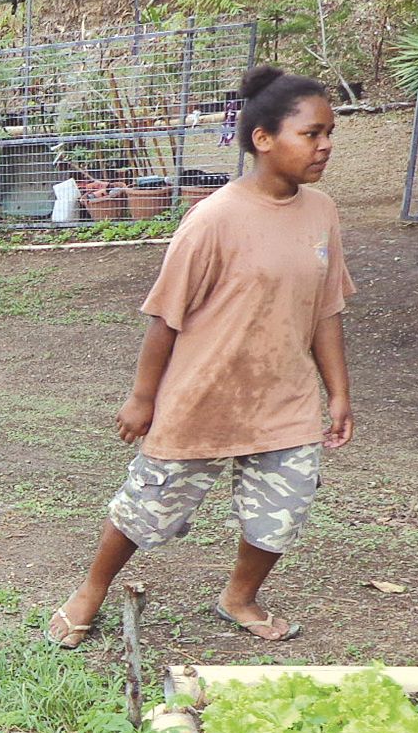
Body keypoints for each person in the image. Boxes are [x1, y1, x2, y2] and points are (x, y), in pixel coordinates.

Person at [46, 65, 354, 649]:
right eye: (311, 134)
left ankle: (240, 596)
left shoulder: (322, 213)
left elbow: (325, 310)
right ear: (263, 138)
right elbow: (165, 317)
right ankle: (91, 590)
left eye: (328, 132)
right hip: (203, 398)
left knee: (281, 513)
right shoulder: (212, 218)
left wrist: (337, 392)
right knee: (145, 509)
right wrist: (142, 399)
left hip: (284, 401)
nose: (325, 145)